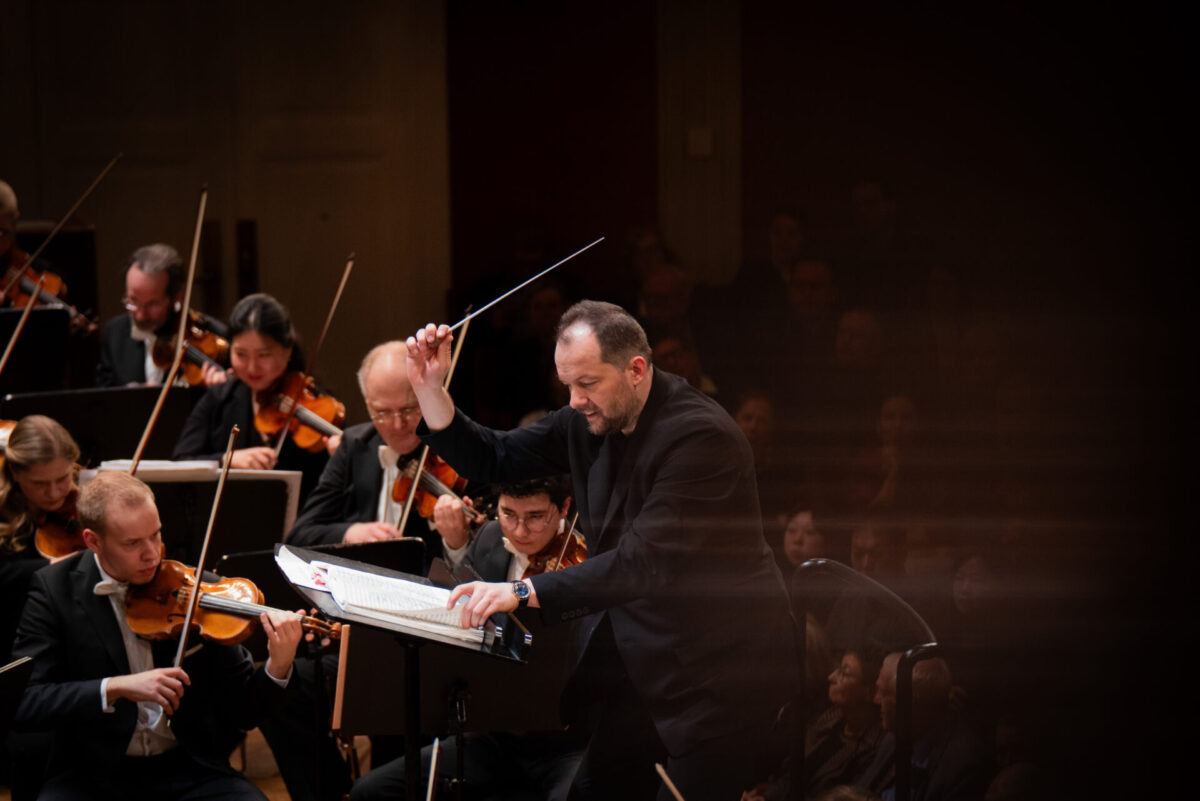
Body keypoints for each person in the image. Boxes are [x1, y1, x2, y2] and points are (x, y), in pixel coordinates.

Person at [405, 300, 796, 800]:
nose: (574, 400)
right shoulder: (588, 421)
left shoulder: (702, 438)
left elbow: (642, 562)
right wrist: (429, 388)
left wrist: (520, 591)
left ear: (635, 369)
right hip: (646, 666)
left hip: (722, 677)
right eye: (567, 384)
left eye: (587, 384)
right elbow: (493, 457)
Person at [10, 470, 305, 800]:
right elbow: (26, 701)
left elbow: (243, 712)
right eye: (133, 543)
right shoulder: (53, 591)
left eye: (156, 534)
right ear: (93, 540)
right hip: (93, 775)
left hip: (188, 769)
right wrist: (116, 687)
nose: (153, 553)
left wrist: (278, 666)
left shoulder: (194, 591)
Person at [350, 475, 585, 801]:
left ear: (564, 508)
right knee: (372, 792)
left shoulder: (587, 562)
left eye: (535, 517)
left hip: (565, 744)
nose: (518, 531)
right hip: (493, 734)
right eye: (508, 514)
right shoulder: (490, 536)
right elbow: (461, 610)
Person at [286, 340, 455, 562]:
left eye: (408, 409)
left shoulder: (454, 450)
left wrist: (456, 543)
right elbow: (300, 535)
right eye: (383, 412)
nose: (397, 425)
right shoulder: (354, 444)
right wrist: (351, 533)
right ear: (368, 406)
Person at [172, 292, 330, 504]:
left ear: (288, 348)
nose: (252, 367)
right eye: (241, 354)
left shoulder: (315, 403)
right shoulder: (220, 397)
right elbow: (179, 462)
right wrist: (225, 459)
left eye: (264, 355)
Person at [0, 415, 80, 663]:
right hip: (15, 635)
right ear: (15, 473)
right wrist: (54, 567)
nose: (55, 492)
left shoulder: (83, 501)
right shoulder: (3, 513)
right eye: (40, 483)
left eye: (63, 478)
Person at [96, 243, 229, 387]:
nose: (140, 315)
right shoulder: (114, 334)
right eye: (133, 301)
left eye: (152, 304)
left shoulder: (214, 336)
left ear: (177, 296)